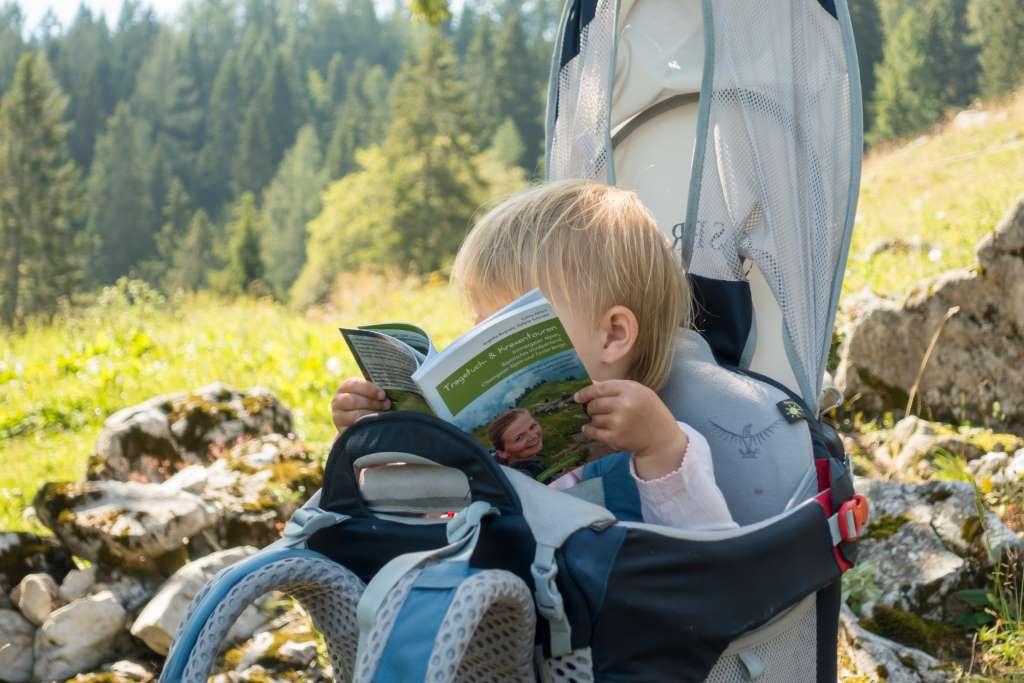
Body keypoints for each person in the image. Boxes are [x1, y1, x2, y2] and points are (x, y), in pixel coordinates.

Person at [331, 180, 735, 531]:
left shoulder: (662, 447)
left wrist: (660, 448)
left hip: (600, 610)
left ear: (612, 335)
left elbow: (714, 559)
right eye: (479, 328)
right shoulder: (495, 452)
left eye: (507, 326)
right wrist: (373, 442)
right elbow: (417, 524)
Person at [487, 409, 546, 478]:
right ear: (502, 453)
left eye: (532, 427)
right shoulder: (524, 478)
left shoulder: (499, 467)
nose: (533, 436)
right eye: (519, 438)